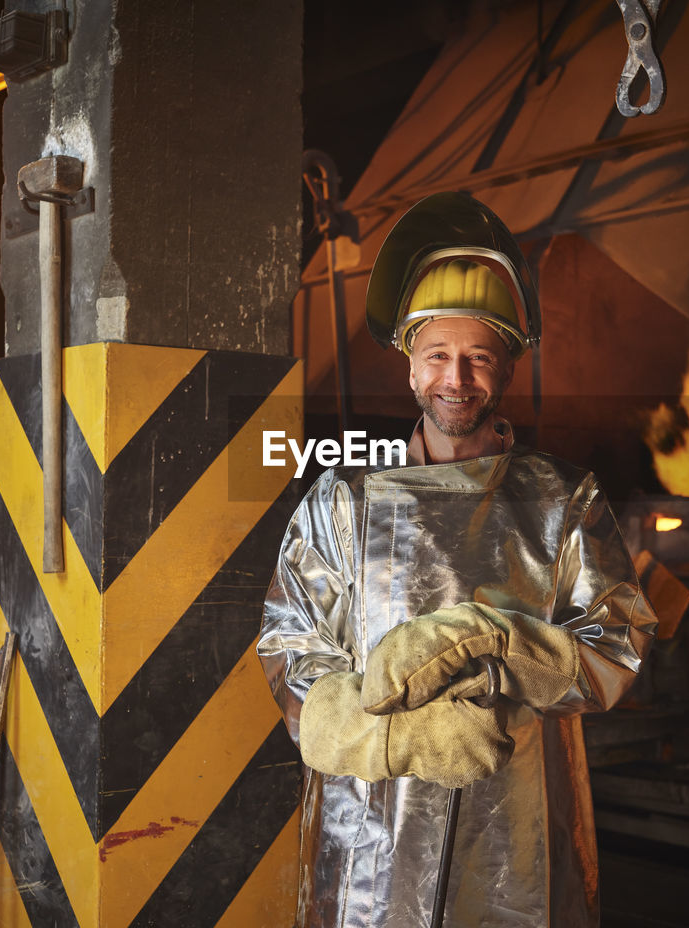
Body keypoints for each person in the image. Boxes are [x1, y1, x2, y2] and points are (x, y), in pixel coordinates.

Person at [258, 192, 657, 928]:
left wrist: (506, 648)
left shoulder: (562, 501)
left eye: (479, 357)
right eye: (437, 355)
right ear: (410, 368)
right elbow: (293, 645)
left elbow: (618, 643)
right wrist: (384, 732)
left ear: (506, 368)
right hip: (371, 823)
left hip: (519, 824)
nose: (457, 377)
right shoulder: (343, 501)